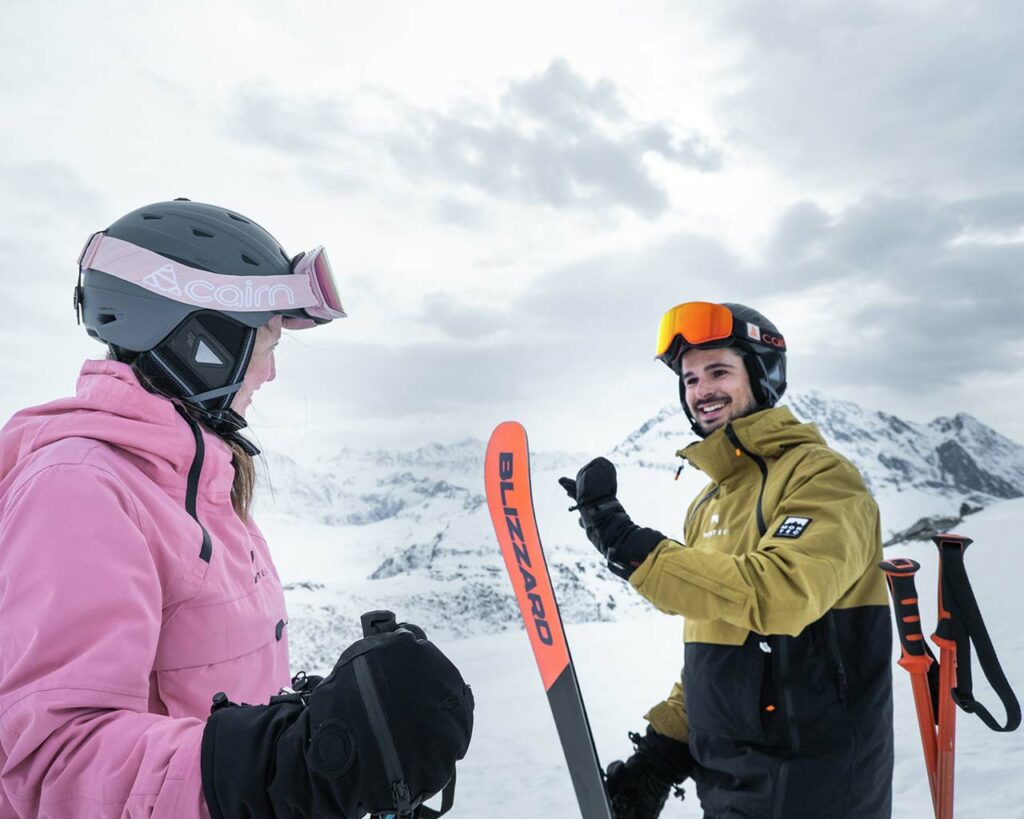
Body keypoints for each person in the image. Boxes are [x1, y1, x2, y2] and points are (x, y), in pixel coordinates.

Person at [0, 199, 473, 819]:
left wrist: (332, 744)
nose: (271, 373)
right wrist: (287, 771)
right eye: (266, 342)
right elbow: (49, 763)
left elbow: (208, 698)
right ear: (203, 340)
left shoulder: (196, 482)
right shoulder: (82, 489)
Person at [560, 301, 893, 819]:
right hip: (729, 790)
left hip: (814, 786)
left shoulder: (821, 478)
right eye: (690, 379)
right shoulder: (710, 503)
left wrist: (632, 546)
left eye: (719, 371)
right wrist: (661, 755)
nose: (701, 391)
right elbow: (718, 644)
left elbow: (780, 593)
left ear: (760, 376)